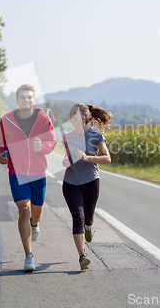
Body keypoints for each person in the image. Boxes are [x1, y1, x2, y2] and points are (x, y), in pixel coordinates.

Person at [0, 84, 56, 272]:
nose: (26, 101)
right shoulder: (6, 120)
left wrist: (43, 148)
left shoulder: (44, 119)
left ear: (34, 100)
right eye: (23, 98)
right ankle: (29, 255)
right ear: (17, 101)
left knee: (36, 212)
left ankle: (35, 224)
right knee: (24, 208)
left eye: (29, 98)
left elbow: (52, 141)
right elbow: (2, 145)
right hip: (17, 170)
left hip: (38, 171)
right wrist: (1, 156)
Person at [61, 103, 113, 270]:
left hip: (91, 181)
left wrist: (87, 158)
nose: (71, 119)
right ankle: (82, 255)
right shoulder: (66, 136)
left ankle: (89, 228)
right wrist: (65, 161)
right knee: (78, 218)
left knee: (87, 220)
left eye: (74, 116)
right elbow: (66, 157)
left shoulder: (95, 135)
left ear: (84, 117)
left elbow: (107, 158)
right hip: (70, 183)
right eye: (70, 116)